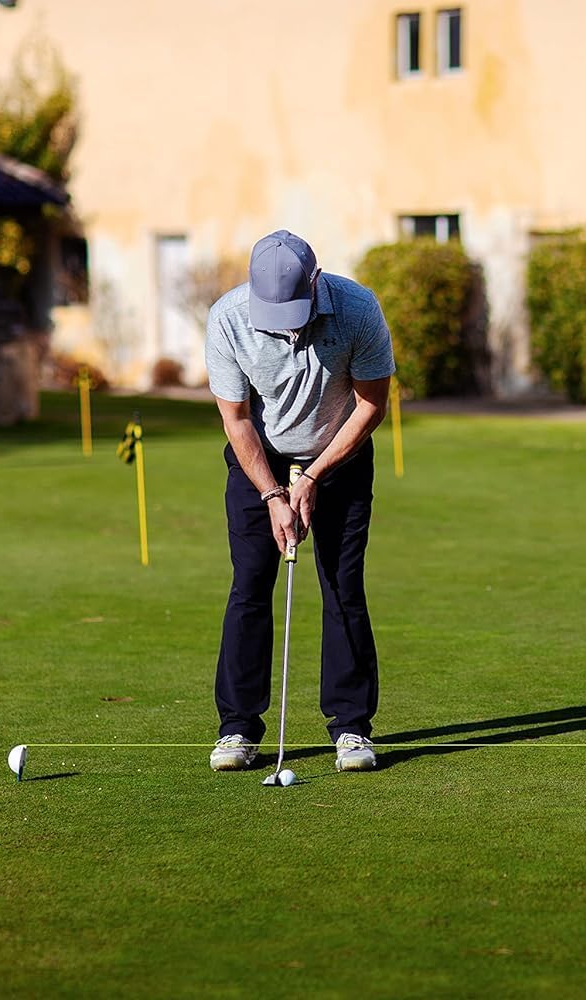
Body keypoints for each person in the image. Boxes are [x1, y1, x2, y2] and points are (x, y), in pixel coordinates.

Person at [204, 230, 394, 773]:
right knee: (250, 585)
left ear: (316, 281)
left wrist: (312, 477)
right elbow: (236, 418)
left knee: (342, 586)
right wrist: (272, 493)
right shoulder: (228, 317)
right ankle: (238, 728)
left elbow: (371, 405)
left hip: (341, 456)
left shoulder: (358, 309)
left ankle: (352, 728)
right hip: (256, 458)